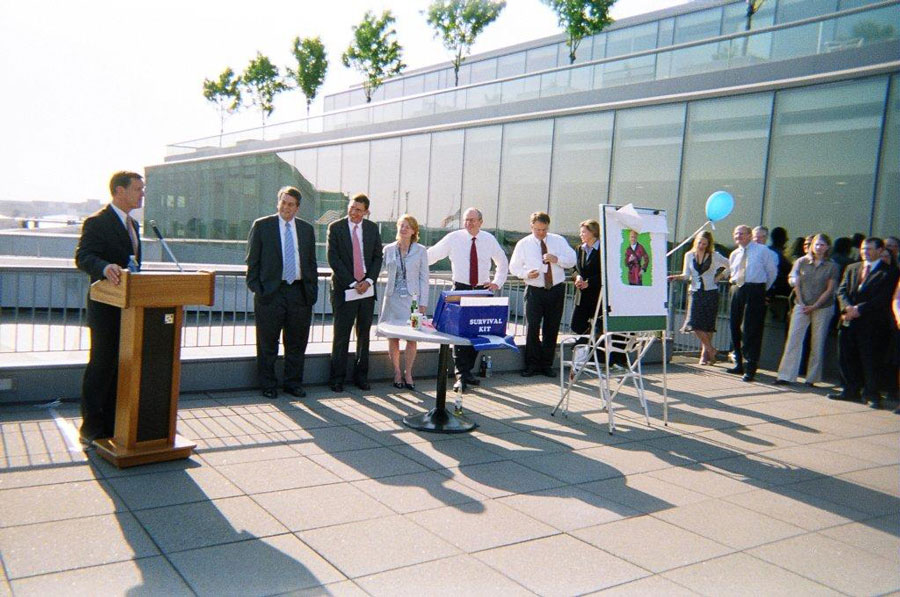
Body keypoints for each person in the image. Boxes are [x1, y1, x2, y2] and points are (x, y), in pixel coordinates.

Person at [74, 171, 144, 448]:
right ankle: (91, 426)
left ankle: (114, 423)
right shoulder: (97, 221)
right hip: (106, 307)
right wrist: (104, 267)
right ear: (119, 191)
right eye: (137, 189)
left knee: (122, 366)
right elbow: (83, 256)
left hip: (129, 308)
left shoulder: (133, 225)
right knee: (102, 365)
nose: (142, 194)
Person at [245, 186, 317, 399]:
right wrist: (258, 289)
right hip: (271, 294)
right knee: (268, 342)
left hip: (299, 293)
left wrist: (311, 292)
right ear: (278, 203)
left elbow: (310, 262)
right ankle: (268, 385)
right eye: (283, 203)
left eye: (291, 204)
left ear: (297, 208)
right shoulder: (262, 226)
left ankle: (293, 383)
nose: (286, 207)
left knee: (296, 342)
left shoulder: (306, 230)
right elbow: (252, 261)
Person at [428, 207, 508, 393]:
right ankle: (460, 374)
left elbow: (502, 261)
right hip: (461, 289)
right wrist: (412, 258)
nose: (469, 223)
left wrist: (497, 282)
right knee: (460, 333)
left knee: (477, 332)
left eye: (473, 220)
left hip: (482, 291)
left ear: (481, 222)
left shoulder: (489, 239)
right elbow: (432, 255)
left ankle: (468, 371)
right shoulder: (454, 238)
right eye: (466, 220)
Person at [828, 238, 900, 408]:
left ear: (880, 250)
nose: (865, 252)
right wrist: (847, 308)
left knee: (870, 360)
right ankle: (850, 390)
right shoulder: (852, 267)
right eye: (862, 248)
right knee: (846, 356)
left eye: (869, 249)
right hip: (848, 321)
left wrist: (859, 309)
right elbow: (842, 290)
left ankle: (872, 394)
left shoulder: (890, 272)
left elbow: (883, 298)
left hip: (871, 323)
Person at [509, 211, 576, 376]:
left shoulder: (558, 241)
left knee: (551, 328)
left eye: (544, 230)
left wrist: (557, 259)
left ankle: (547, 365)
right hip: (534, 290)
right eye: (538, 229)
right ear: (531, 226)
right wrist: (526, 274)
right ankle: (531, 365)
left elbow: (572, 260)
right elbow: (514, 267)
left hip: (556, 289)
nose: (541, 233)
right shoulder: (523, 244)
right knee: (532, 328)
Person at [327, 194, 383, 392]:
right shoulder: (336, 228)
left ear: (366, 211)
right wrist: (353, 283)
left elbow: (377, 257)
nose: (353, 212)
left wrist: (368, 281)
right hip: (344, 290)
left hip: (367, 291)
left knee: (364, 335)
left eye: (358, 210)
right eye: (351, 208)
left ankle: (361, 376)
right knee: (341, 335)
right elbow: (333, 259)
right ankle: (337, 378)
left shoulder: (372, 228)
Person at [775, 234, 839, 387]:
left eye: (822, 245)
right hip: (801, 304)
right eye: (816, 244)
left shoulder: (832, 266)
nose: (819, 247)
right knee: (794, 340)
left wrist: (815, 305)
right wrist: (802, 303)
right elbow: (795, 281)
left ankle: (812, 378)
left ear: (828, 247)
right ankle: (786, 375)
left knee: (817, 341)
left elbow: (830, 289)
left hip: (822, 307)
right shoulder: (801, 261)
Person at [380, 214, 429, 390]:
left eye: (408, 226)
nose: (404, 228)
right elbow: (378, 269)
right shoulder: (388, 249)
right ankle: (397, 372)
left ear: (414, 230)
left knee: (411, 337)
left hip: (412, 300)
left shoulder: (421, 250)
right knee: (393, 337)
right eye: (401, 225)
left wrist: (423, 302)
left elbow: (424, 277)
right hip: (392, 297)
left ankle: (408, 372)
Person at [668, 231, 729, 365]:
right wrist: (675, 277)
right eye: (700, 243)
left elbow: (730, 264)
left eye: (704, 244)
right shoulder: (689, 255)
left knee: (708, 325)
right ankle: (711, 349)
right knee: (694, 323)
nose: (701, 246)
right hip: (695, 291)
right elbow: (686, 275)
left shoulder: (714, 256)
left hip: (711, 291)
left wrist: (720, 276)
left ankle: (705, 356)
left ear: (709, 244)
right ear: (696, 242)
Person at [727, 225, 777, 382]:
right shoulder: (734, 254)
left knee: (751, 328)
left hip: (755, 289)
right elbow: (733, 273)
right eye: (736, 233)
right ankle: (738, 362)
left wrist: (760, 290)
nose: (738, 236)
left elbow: (771, 273)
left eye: (742, 233)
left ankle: (750, 367)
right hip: (737, 289)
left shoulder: (763, 251)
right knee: (734, 326)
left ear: (750, 235)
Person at [571, 219, 602, 337]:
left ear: (593, 232)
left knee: (599, 329)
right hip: (581, 295)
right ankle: (586, 344)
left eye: (583, 232)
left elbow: (605, 273)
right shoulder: (579, 249)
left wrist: (589, 283)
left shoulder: (603, 250)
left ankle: (593, 351)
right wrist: (577, 277)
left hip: (597, 296)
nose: (581, 235)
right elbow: (573, 268)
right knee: (577, 325)